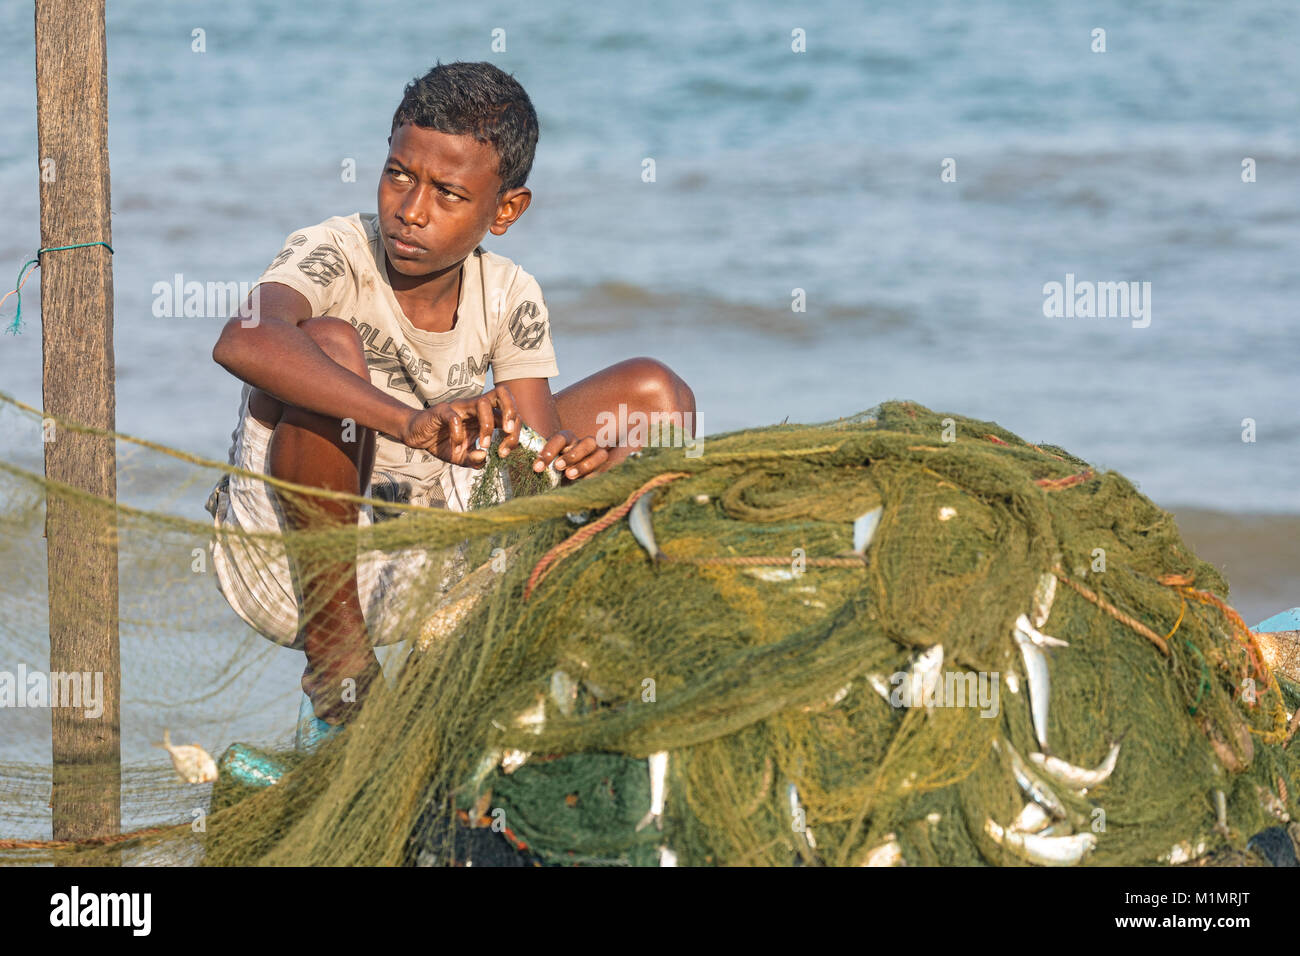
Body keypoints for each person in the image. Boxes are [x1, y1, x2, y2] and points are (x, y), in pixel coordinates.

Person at [205, 61, 696, 738]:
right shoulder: (335, 252)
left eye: (448, 194)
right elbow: (242, 341)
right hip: (295, 563)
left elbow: (530, 478)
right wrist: (411, 423)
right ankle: (340, 671)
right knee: (330, 342)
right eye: (399, 174)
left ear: (505, 211)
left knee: (656, 396)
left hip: (430, 564)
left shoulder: (510, 294)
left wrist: (578, 466)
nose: (410, 211)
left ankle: (540, 657)